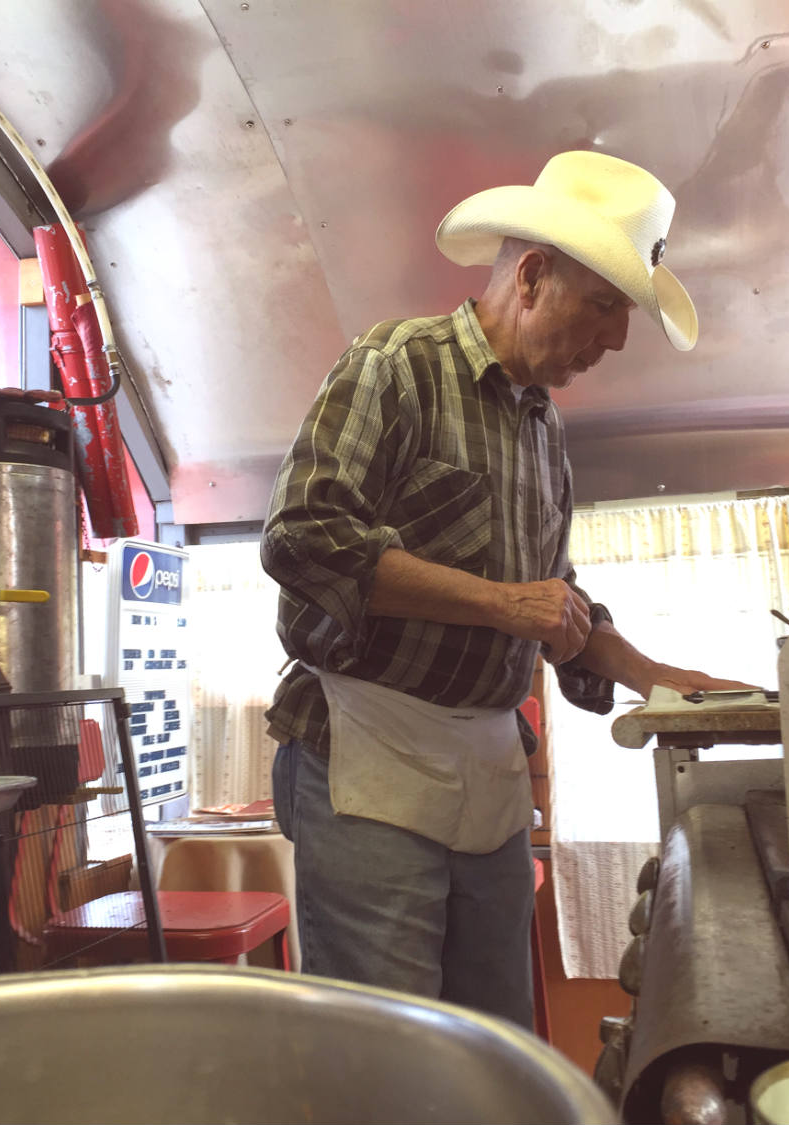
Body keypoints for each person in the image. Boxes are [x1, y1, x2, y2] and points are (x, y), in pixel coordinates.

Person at [259, 151, 751, 1028]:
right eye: (605, 305)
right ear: (532, 275)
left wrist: (661, 679)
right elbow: (306, 535)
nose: (617, 337)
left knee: (494, 1042)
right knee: (391, 1054)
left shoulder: (541, 426)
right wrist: (501, 603)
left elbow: (553, 596)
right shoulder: (396, 365)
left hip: (483, 770)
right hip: (367, 759)